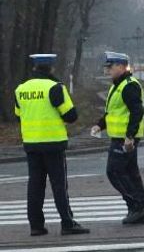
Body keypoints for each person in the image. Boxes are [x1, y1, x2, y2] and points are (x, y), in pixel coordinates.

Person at [14, 53, 89, 236]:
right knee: (59, 185)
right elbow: (71, 116)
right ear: (52, 68)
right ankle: (67, 222)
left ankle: (36, 226)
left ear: (34, 68)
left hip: (31, 143)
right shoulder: (55, 88)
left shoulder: (21, 89)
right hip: (53, 144)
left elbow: (18, 115)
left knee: (35, 185)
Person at [93, 52, 144, 225]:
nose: (107, 70)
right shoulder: (117, 85)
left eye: (110, 67)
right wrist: (100, 125)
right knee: (131, 174)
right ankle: (143, 211)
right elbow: (113, 112)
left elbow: (137, 111)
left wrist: (130, 136)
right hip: (120, 137)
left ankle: (136, 207)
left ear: (121, 66)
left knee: (114, 172)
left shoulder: (128, 86)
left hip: (124, 139)